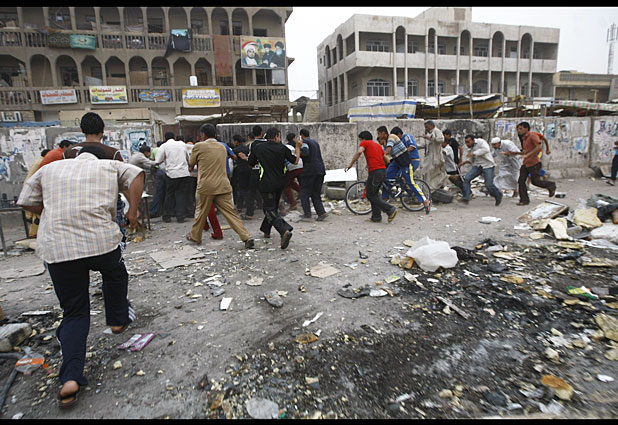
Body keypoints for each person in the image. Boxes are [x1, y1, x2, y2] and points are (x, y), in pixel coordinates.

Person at [17, 144, 144, 410]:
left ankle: (70, 378)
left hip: (58, 247)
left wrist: (52, 212)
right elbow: (136, 175)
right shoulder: (108, 165)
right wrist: (132, 212)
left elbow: (26, 200)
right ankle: (117, 319)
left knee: (74, 312)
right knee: (115, 274)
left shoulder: (50, 168)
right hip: (100, 241)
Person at [186, 123, 254, 248]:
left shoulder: (199, 146)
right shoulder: (222, 147)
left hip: (206, 185)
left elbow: (191, 163)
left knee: (201, 212)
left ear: (203, 134)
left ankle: (195, 236)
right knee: (231, 213)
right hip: (223, 184)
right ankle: (246, 236)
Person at [248, 127, 301, 249]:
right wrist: (298, 147)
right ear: (277, 136)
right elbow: (295, 161)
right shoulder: (282, 148)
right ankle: (266, 230)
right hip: (281, 182)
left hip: (266, 183)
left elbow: (251, 163)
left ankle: (284, 230)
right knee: (273, 207)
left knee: (269, 209)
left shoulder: (258, 147)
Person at [345, 131, 398, 223]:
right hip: (382, 171)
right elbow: (387, 160)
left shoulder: (365, 143)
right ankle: (376, 217)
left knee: (370, 195)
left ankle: (390, 209)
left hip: (375, 171)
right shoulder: (378, 145)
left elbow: (359, 152)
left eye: (360, 140)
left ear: (363, 138)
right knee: (374, 194)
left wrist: (350, 164)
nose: (360, 142)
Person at [379, 126, 431, 214]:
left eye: (379, 133)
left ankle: (425, 200)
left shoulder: (392, 137)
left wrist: (381, 155)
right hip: (397, 161)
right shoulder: (385, 142)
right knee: (386, 176)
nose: (378, 136)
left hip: (406, 162)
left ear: (384, 133)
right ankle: (385, 198)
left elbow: (389, 150)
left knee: (409, 181)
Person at [515, 122, 557, 205]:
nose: (519, 131)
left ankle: (551, 185)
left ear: (526, 128)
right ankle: (524, 200)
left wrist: (547, 149)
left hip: (534, 163)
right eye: (518, 129)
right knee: (521, 181)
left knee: (535, 182)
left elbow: (538, 147)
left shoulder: (533, 136)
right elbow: (526, 150)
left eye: (520, 128)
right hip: (526, 163)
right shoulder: (523, 138)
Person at [154, 132, 190, 223]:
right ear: (174, 137)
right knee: (181, 195)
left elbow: (157, 161)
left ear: (165, 138)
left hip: (171, 174)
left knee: (169, 195)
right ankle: (180, 217)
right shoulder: (182, 144)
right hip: (183, 173)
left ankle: (167, 216)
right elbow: (188, 159)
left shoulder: (164, 146)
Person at [459, 135, 503, 206]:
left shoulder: (481, 142)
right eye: (466, 142)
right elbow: (471, 159)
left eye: (468, 142)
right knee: (467, 178)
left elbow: (486, 149)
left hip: (487, 165)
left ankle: (498, 195)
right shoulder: (470, 149)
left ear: (473, 140)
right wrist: (464, 163)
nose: (467, 144)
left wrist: (474, 153)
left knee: (489, 185)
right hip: (477, 166)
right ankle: (466, 197)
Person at [298, 128, 328, 221]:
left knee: (304, 193)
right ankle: (321, 212)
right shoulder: (315, 143)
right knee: (315, 193)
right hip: (320, 170)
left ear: (302, 135)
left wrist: (298, 149)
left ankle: (307, 214)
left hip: (310, 171)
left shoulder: (305, 142)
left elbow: (305, 152)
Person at [23, 148, 50, 238]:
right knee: (37, 215)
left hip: (30, 186)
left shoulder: (38, 161)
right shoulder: (41, 163)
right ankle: (34, 233)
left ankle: (34, 233)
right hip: (33, 187)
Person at [242, 126, 266, 220]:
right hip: (265, 171)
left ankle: (249, 213)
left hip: (255, 171)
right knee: (267, 192)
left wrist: (246, 159)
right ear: (261, 132)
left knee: (251, 193)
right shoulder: (266, 142)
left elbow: (252, 159)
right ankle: (275, 210)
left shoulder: (253, 145)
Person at [420, 120, 446, 190]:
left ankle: (431, 189)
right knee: (426, 173)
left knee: (433, 173)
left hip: (435, 157)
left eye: (427, 127)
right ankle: (428, 189)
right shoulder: (430, 133)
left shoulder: (437, 131)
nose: (426, 129)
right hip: (429, 157)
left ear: (431, 126)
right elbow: (426, 145)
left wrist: (431, 138)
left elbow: (441, 139)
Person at [282, 133, 303, 212]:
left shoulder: (285, 147)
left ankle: (293, 203)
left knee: (286, 185)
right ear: (294, 138)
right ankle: (302, 193)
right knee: (292, 183)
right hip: (301, 166)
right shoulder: (298, 145)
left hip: (292, 167)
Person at [148, 141, 167, 218]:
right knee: (168, 192)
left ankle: (153, 211)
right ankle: (165, 211)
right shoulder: (165, 149)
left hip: (158, 171)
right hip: (166, 171)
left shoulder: (154, 150)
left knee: (159, 192)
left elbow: (152, 160)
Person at [184, 137, 198, 219]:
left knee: (189, 193)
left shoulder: (183, 147)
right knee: (197, 192)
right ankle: (197, 209)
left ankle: (190, 210)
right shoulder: (196, 147)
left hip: (188, 173)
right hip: (197, 173)